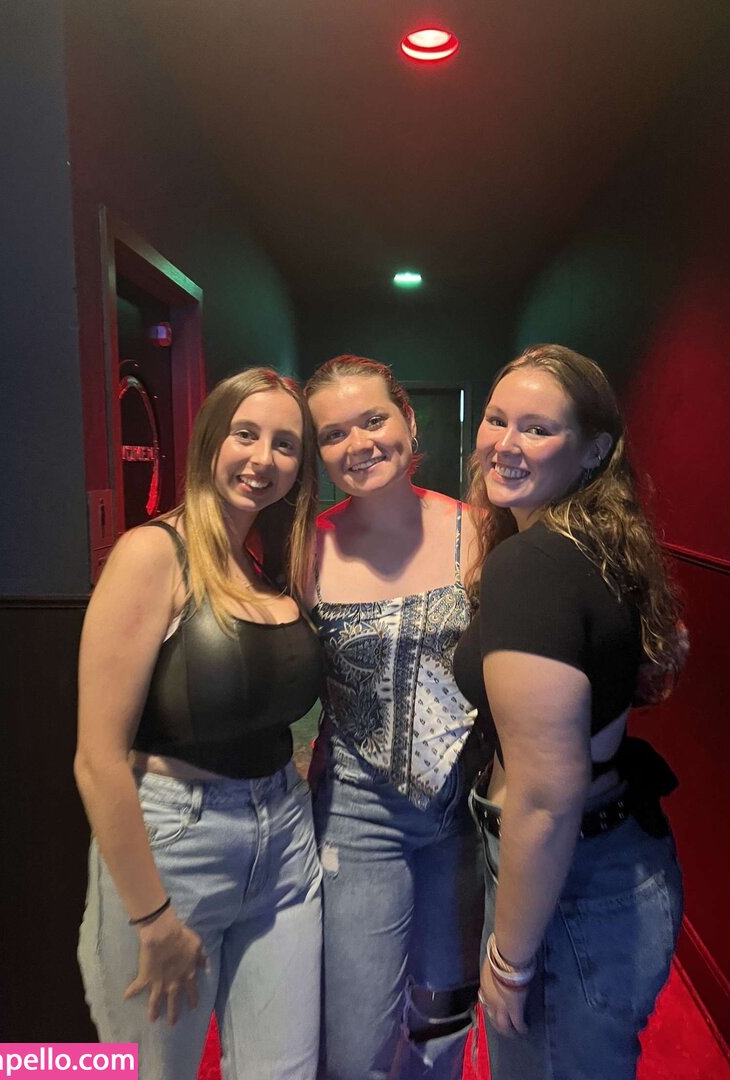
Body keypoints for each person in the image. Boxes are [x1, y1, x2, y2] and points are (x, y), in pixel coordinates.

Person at [75, 368, 324, 1080]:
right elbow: (97, 759)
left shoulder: (265, 564)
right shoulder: (152, 553)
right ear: (211, 439)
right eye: (246, 434)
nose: (262, 458)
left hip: (285, 840)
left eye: (285, 444)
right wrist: (151, 918)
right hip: (174, 845)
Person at [453, 344, 685, 1080]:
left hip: (567, 882)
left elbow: (547, 796)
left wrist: (511, 960)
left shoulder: (533, 564)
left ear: (592, 451)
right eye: (496, 419)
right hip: (606, 860)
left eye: (537, 428)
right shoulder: (596, 543)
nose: (505, 443)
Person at [303, 355, 488, 1080]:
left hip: (462, 814)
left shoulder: (480, 531)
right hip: (356, 815)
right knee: (355, 1042)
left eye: (373, 420)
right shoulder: (306, 545)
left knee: (443, 1019)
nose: (358, 444)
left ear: (407, 422)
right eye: (333, 434)